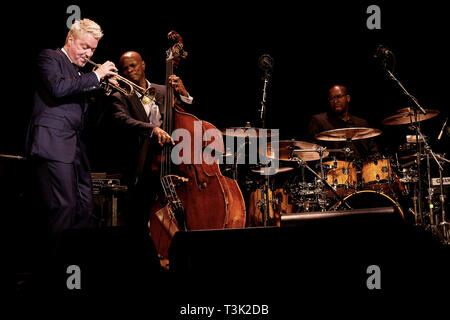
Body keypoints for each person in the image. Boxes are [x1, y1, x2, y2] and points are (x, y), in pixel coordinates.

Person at [26, 19, 118, 252]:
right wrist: (96, 77)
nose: (88, 54)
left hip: (76, 148)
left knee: (85, 207)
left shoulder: (80, 76)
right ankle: (52, 268)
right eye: (84, 47)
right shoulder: (50, 58)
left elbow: (91, 120)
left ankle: (72, 260)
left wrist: (106, 92)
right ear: (70, 40)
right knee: (64, 206)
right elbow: (58, 88)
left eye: (93, 49)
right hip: (53, 143)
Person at [107, 51, 194, 230]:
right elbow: (123, 120)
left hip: (171, 160)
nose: (130, 70)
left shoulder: (163, 90)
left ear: (143, 65)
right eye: (125, 68)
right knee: (141, 215)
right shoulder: (119, 95)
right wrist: (152, 129)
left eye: (133, 65)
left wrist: (184, 93)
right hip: (143, 163)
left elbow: (186, 116)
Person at [307, 84, 379, 159]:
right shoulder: (319, 121)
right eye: (332, 98)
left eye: (339, 96)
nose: (335, 101)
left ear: (348, 98)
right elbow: (313, 151)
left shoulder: (362, 123)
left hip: (363, 168)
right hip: (334, 168)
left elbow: (374, 152)